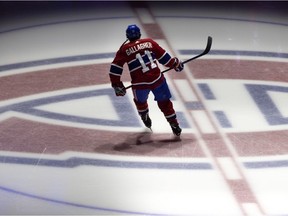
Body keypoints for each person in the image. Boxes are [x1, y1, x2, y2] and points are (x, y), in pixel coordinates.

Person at [109, 24, 184, 136]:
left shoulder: (124, 49)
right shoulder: (150, 42)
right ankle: (174, 123)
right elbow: (165, 59)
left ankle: (144, 115)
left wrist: (117, 84)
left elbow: (115, 68)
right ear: (139, 34)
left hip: (140, 84)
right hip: (157, 80)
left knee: (140, 101)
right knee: (165, 102)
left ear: (127, 36)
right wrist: (175, 64)